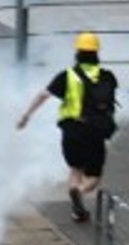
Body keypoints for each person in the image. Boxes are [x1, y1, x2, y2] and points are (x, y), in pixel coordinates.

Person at [19, 32, 120, 222]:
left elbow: (43, 96)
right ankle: (79, 193)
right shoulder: (108, 77)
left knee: (75, 169)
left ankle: (75, 203)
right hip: (96, 132)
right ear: (97, 53)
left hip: (72, 130)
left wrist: (26, 116)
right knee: (93, 178)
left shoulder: (68, 76)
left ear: (78, 52)